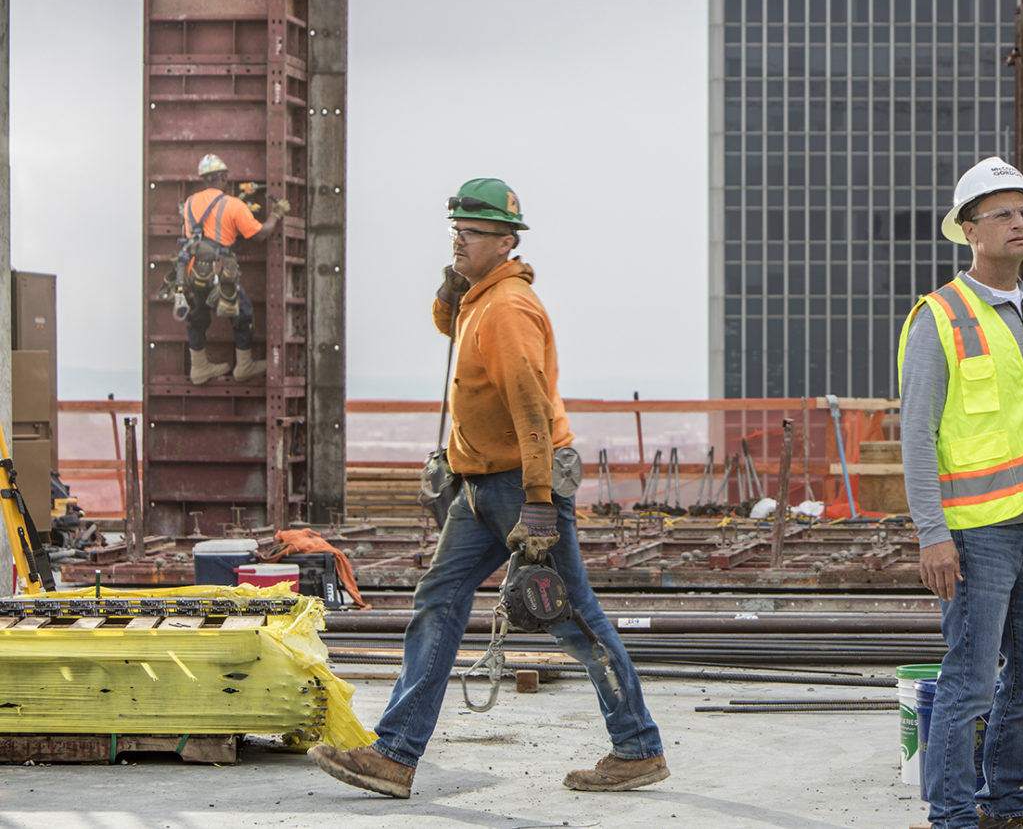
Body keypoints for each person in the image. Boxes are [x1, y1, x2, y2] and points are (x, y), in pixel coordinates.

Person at [312, 178, 667, 800]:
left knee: (571, 617)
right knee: (438, 600)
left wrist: (536, 502)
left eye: (470, 233)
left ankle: (638, 748)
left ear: (505, 242)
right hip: (478, 489)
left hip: (516, 486)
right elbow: (450, 328)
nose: (457, 240)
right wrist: (450, 286)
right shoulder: (480, 299)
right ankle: (395, 754)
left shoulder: (507, 309)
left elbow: (530, 409)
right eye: (456, 230)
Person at [899, 155, 1023, 829]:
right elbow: (917, 434)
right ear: (969, 230)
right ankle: (953, 815)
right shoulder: (939, 317)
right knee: (969, 680)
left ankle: (1001, 804)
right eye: (1002, 213)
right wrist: (931, 533)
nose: (1020, 223)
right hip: (971, 535)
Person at [175, 153, 288, 384]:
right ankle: (244, 365)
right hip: (220, 271)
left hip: (192, 270)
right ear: (224, 177)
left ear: (203, 179)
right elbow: (261, 234)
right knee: (243, 313)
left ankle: (198, 368)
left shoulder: (188, 204)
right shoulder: (234, 205)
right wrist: (276, 214)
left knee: (197, 316)